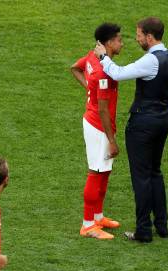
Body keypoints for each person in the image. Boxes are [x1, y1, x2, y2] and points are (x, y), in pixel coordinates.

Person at [94, 17, 168, 242]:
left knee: (141, 177)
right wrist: (162, 115)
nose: (137, 39)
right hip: (163, 120)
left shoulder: (151, 60)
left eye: (140, 35)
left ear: (150, 37)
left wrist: (103, 56)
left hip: (143, 123)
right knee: (155, 172)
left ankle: (143, 230)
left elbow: (118, 73)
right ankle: (161, 225)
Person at [71, 23, 124, 239]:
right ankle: (87, 225)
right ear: (109, 42)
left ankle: (98, 217)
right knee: (95, 172)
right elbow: (103, 109)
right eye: (119, 39)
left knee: (105, 171)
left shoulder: (94, 57)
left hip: (97, 122)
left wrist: (89, 89)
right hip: (98, 125)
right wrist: (111, 140)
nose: (122, 43)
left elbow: (75, 68)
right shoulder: (104, 71)